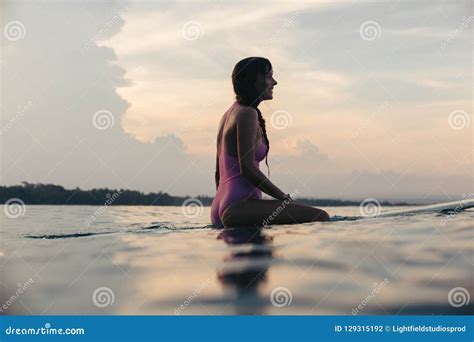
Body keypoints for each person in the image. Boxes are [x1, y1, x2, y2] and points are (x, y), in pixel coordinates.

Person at [210, 57, 329, 228]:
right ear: (252, 79)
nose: (274, 82)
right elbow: (248, 169)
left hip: (222, 207)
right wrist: (283, 198)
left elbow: (218, 173)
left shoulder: (228, 115)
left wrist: (225, 205)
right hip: (237, 206)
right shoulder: (247, 114)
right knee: (321, 216)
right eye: (268, 76)